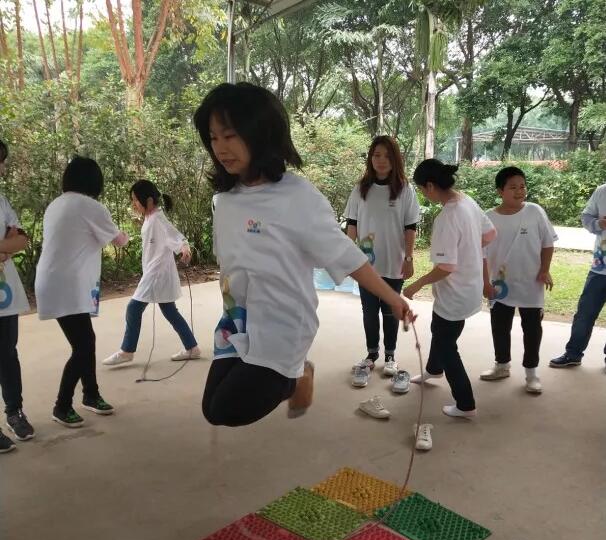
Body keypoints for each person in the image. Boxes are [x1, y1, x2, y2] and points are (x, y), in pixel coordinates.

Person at [194, 82, 413, 427]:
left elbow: (344, 252)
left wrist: (391, 297)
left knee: (228, 410)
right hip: (237, 317)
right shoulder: (224, 200)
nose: (220, 148)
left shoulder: (297, 196)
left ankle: (296, 377)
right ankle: (293, 376)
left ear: (261, 133)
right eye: (213, 137)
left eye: (230, 135)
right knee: (212, 409)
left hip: (283, 320)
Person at [35, 157, 128, 428]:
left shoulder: (56, 204)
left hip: (53, 282)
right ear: (94, 182)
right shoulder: (90, 206)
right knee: (83, 345)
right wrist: (127, 233)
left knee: (86, 341)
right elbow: (119, 240)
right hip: (68, 286)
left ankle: (91, 394)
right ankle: (62, 406)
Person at [403, 159, 496, 422]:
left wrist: (417, 284)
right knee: (440, 330)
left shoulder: (447, 217)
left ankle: (466, 404)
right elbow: (490, 235)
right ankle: (433, 370)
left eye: (422, 189)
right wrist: (469, 248)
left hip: (455, 293)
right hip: (470, 287)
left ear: (431, 186)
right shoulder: (466, 200)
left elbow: (445, 267)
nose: (423, 193)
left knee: (446, 345)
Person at [344, 136, 420, 411]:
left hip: (393, 262)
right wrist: (347, 255)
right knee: (368, 310)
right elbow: (351, 225)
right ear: (371, 158)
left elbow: (410, 226)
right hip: (366, 264)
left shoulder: (404, 190)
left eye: (386, 156)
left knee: (391, 310)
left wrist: (409, 258)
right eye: (376, 155)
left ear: (394, 159)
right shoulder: (360, 189)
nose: (381, 160)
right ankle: (371, 354)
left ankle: (390, 356)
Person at [103, 180, 200, 367]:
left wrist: (184, 248)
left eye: (135, 200)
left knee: (134, 308)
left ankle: (127, 350)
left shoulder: (157, 218)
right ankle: (192, 348)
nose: (133, 204)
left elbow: (175, 235)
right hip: (155, 271)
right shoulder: (150, 218)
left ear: (147, 200)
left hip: (157, 273)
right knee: (170, 311)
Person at [481, 167, 557, 393]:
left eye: (522, 186)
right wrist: (485, 283)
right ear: (500, 191)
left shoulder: (535, 211)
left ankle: (531, 373)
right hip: (500, 285)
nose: (519, 191)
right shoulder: (488, 218)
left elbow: (547, 243)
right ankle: (502, 365)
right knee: (500, 327)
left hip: (531, 283)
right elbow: (481, 255)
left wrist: (545, 270)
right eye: (512, 187)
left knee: (532, 329)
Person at [0, 140, 34, 453]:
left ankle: (15, 411)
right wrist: (4, 245)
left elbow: (21, 238)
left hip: (4, 295)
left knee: (8, 353)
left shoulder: (1, 199)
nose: (2, 167)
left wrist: (6, 245)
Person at [550, 183, 606, 368]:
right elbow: (586, 216)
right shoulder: (602, 191)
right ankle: (573, 353)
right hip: (600, 268)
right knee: (585, 313)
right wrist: (599, 224)